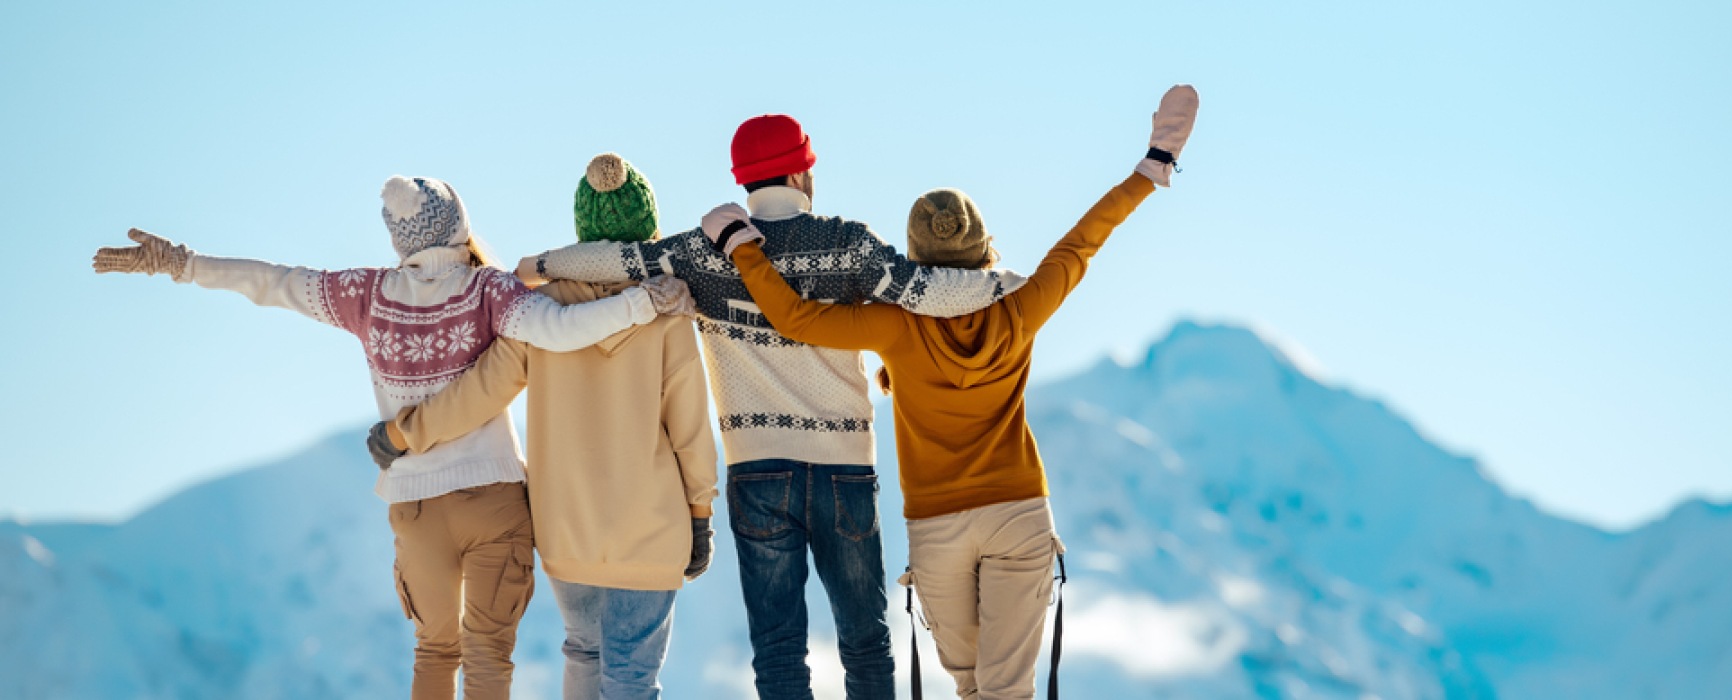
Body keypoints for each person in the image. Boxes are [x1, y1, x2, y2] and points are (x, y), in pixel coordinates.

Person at [90, 176, 695, 700]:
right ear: (460, 225)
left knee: (434, 654)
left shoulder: (366, 294)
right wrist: (643, 304)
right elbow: (563, 331)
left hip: (416, 504)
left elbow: (273, 282)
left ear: (398, 239)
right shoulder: (491, 292)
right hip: (493, 500)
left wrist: (182, 264)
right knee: (488, 655)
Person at [704, 85, 1199, 699]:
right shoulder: (1021, 306)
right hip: (1018, 514)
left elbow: (797, 319)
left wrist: (745, 249)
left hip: (937, 527)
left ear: (916, 263)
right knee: (1002, 691)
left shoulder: (896, 324)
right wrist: (1151, 167)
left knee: (972, 688)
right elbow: (1083, 241)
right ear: (984, 248)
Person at [513, 116, 1030, 700]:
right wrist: (1020, 286)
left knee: (779, 646)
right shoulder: (847, 242)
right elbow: (929, 292)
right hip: (844, 468)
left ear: (745, 181)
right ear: (800, 172)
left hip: (757, 471)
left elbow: (620, 260)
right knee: (865, 639)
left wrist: (538, 265)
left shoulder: (702, 253)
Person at [366, 154, 717, 700]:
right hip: (649, 528)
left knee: (584, 649)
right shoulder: (664, 312)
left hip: (565, 529)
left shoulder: (537, 311)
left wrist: (404, 434)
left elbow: (481, 392)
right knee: (631, 676)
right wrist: (700, 514)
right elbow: (691, 429)